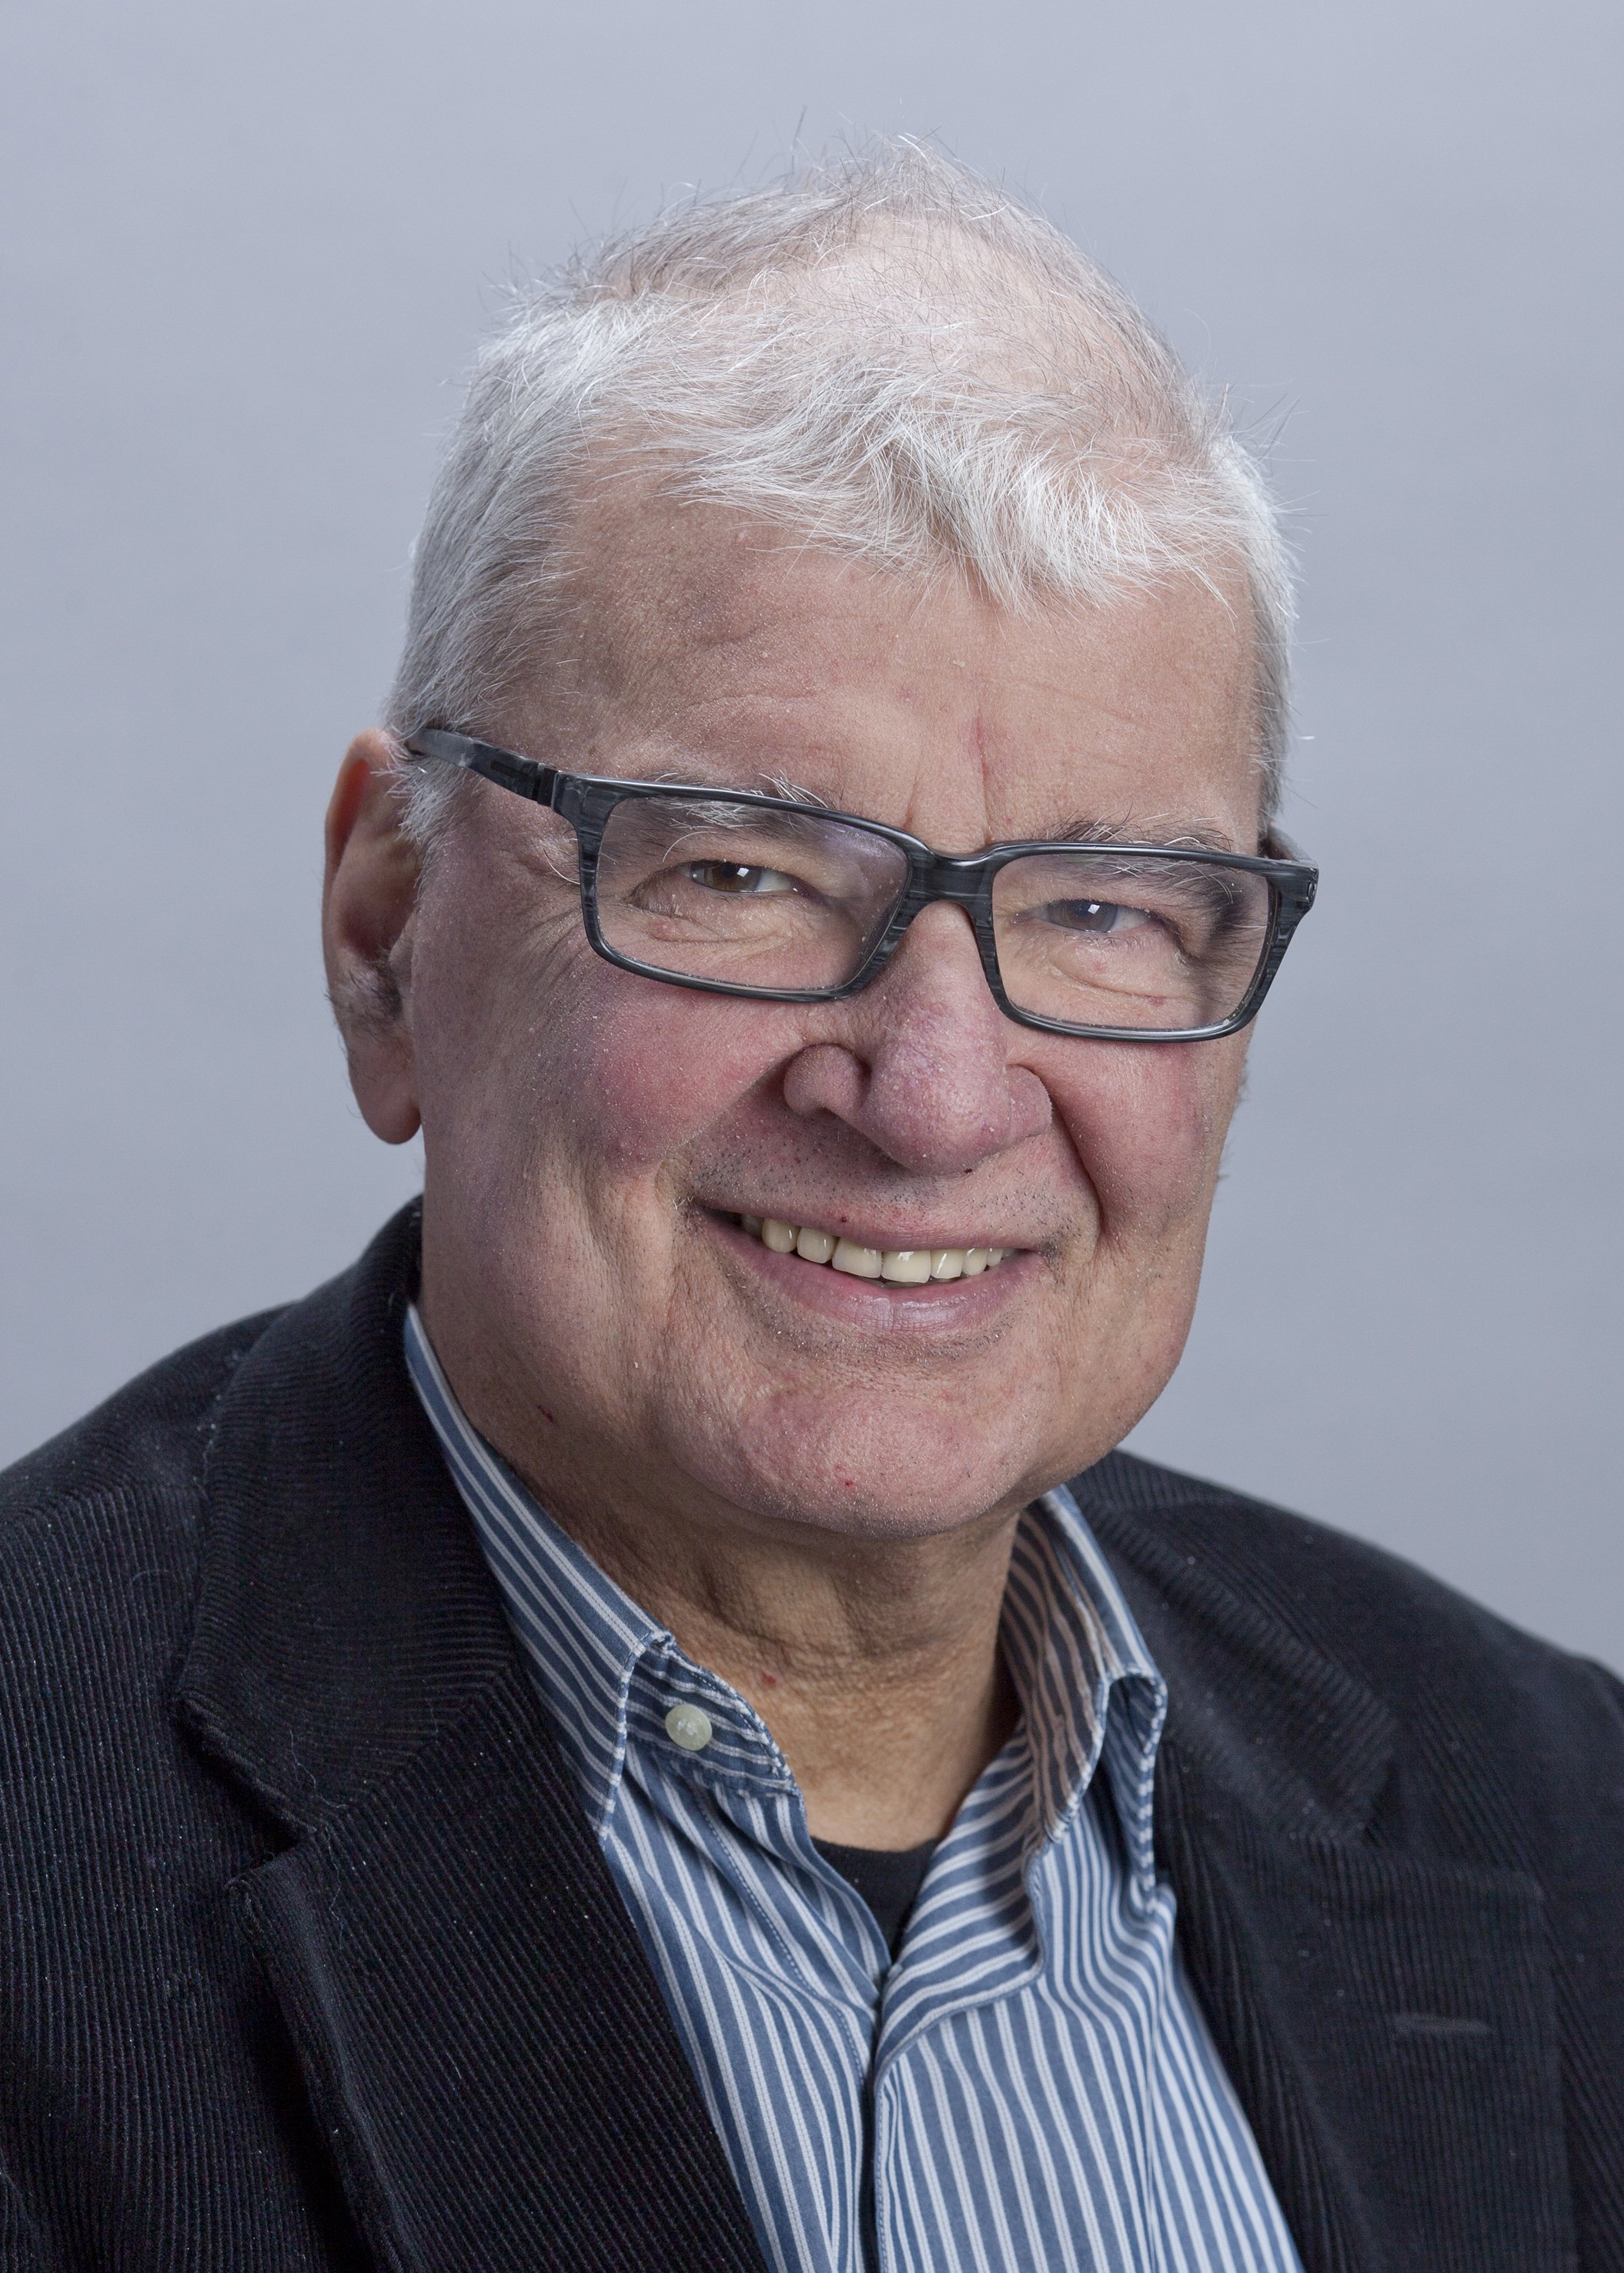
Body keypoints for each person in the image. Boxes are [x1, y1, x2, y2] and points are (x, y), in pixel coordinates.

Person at [1, 144, 1619, 2273]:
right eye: (743, 873)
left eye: (1106, 909)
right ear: (387, 932)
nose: (934, 1098)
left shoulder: (1562, 1811)